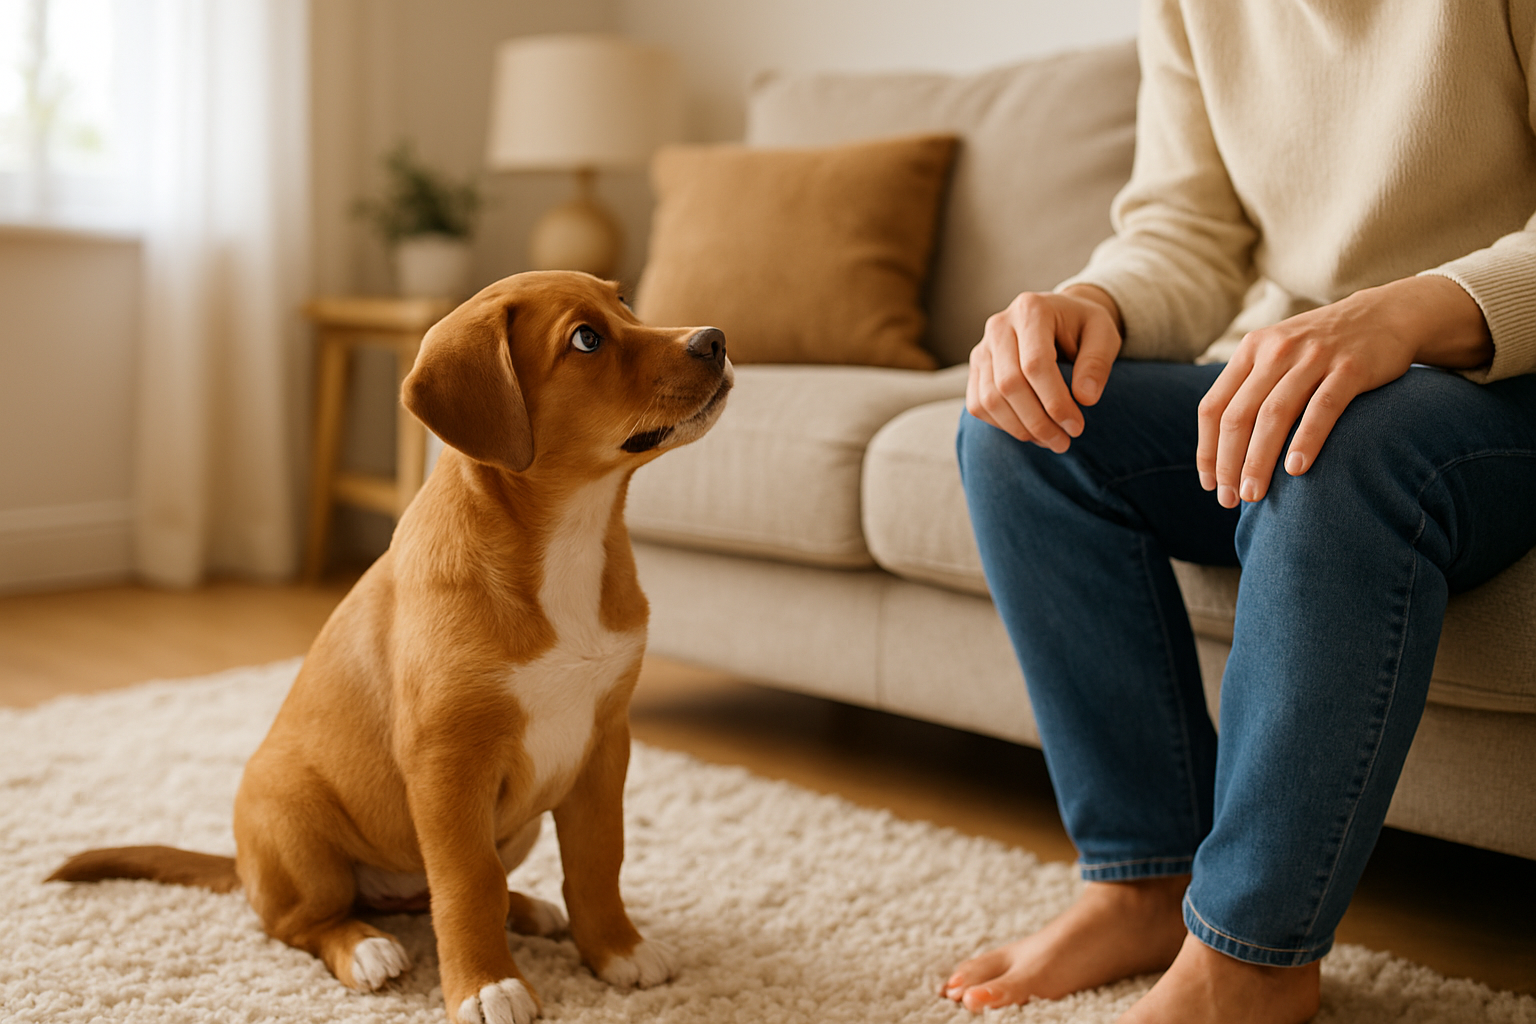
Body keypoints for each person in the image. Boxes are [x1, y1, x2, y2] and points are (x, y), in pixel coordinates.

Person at [944, 1, 1536, 1021]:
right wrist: (1097, 306)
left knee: (1335, 443)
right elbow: (1187, 230)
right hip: (1302, 367)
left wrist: (1406, 310)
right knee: (1022, 435)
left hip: (1502, 372)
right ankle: (1142, 880)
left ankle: (1252, 960)